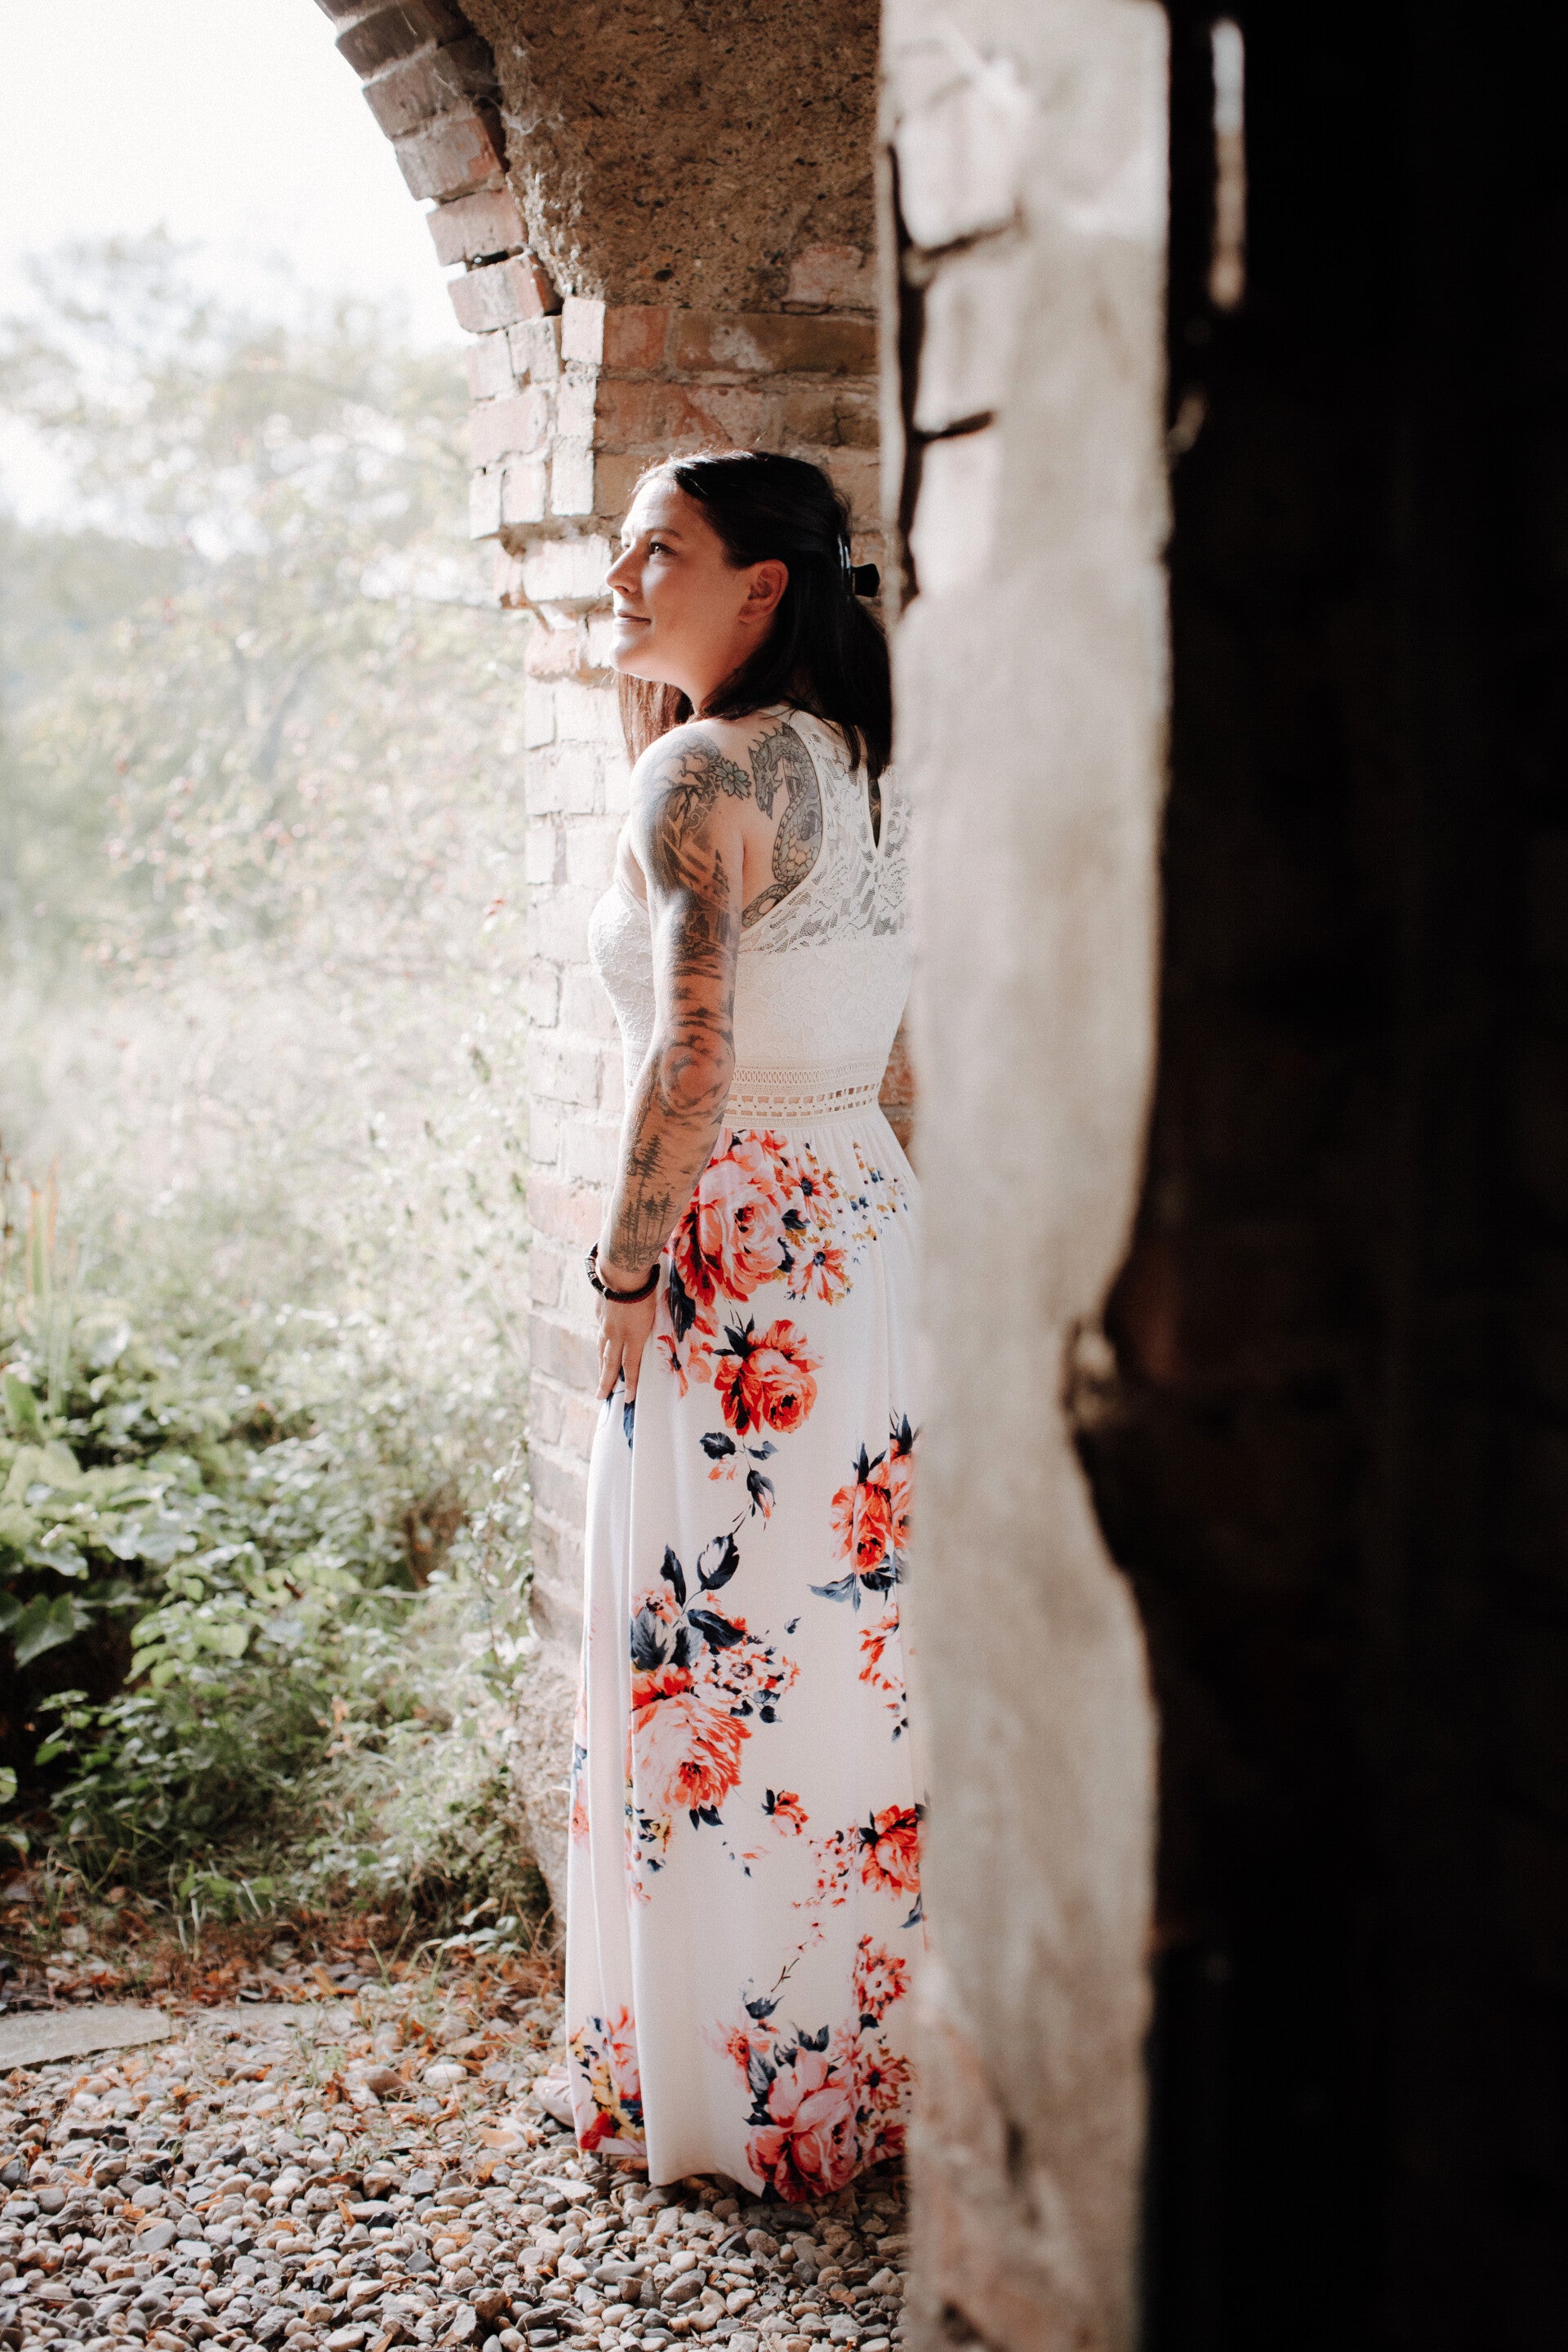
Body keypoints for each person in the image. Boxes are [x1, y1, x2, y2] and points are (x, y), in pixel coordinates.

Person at [564, 449, 922, 2200]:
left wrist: (627, 1273)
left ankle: (718, 2097)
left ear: (760, 585)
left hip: (738, 1257)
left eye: (657, 551)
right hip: (868, 1224)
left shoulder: (700, 772)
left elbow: (691, 1057)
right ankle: (861, 2080)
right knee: (849, 1664)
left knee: (705, 1662)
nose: (619, 578)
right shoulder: (873, 762)